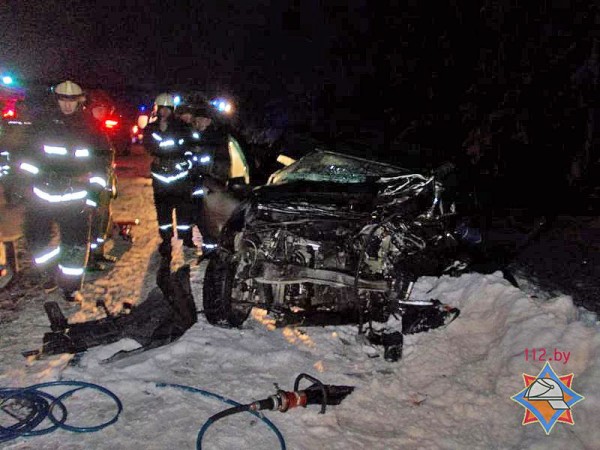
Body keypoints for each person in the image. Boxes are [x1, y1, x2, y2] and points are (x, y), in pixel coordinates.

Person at [19, 80, 114, 300]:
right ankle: (52, 270)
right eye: (63, 100)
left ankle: (70, 288)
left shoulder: (92, 129)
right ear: (57, 99)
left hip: (76, 197)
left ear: (80, 100)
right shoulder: (42, 125)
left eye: (72, 100)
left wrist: (92, 197)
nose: (68, 105)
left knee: (75, 245)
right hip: (43, 194)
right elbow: (28, 157)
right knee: (36, 240)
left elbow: (101, 167)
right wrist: (26, 183)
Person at [144, 93, 196, 261]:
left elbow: (188, 147)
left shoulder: (181, 127)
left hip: (180, 176)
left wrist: (185, 161)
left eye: (168, 109)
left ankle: (186, 239)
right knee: (163, 211)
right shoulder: (151, 128)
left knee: (184, 210)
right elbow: (148, 146)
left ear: (172, 110)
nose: (164, 112)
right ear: (157, 109)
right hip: (160, 176)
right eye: (162, 108)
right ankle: (166, 240)